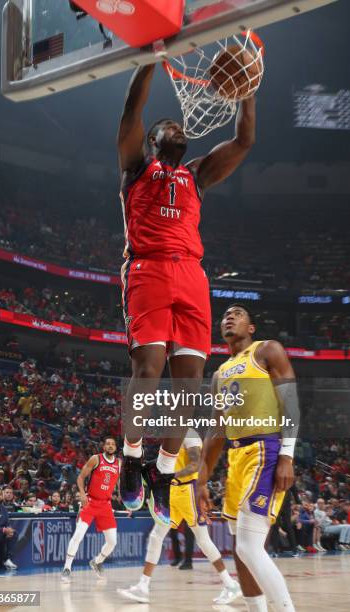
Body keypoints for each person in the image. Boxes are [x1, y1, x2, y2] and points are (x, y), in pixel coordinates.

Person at [117, 64, 256, 525]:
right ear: (153, 139)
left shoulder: (196, 174)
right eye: (167, 126)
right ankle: (132, 457)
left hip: (192, 276)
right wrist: (151, 58)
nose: (177, 127)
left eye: (180, 126)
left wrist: (248, 92)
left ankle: (161, 471)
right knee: (148, 368)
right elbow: (132, 108)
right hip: (149, 269)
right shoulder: (136, 169)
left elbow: (243, 142)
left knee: (189, 385)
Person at [196, 304, 299, 612]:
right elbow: (217, 430)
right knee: (240, 552)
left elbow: (290, 405)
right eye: (225, 315)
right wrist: (201, 479)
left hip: (264, 449)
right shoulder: (219, 374)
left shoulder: (267, 350)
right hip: (236, 459)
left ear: (250, 327)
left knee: (249, 546)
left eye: (237, 313)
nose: (229, 316)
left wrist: (287, 455)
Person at [117, 430, 241, 604]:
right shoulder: (171, 437)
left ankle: (230, 584)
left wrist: (171, 476)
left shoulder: (189, 434)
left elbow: (195, 464)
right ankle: (143, 586)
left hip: (188, 490)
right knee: (155, 536)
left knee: (203, 540)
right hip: (172, 491)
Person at [61, 436, 120, 582]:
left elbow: (117, 482)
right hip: (91, 502)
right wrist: (82, 494)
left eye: (113, 444)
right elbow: (80, 478)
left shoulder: (119, 463)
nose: (110, 446)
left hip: (106, 505)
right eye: (108, 443)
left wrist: (125, 499)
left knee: (112, 541)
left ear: (116, 447)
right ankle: (67, 568)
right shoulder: (96, 459)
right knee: (78, 535)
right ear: (103, 446)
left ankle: (97, 561)